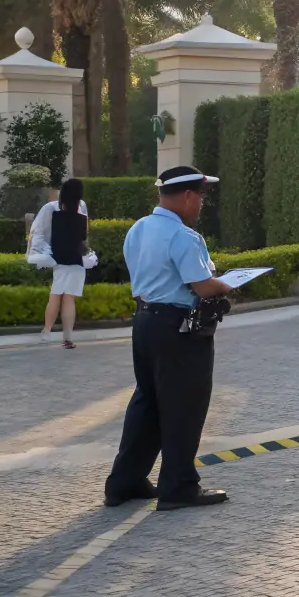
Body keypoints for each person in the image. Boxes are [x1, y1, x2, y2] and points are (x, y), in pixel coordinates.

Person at [104, 166, 235, 511]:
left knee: (146, 402)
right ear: (189, 196)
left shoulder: (138, 229)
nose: (203, 203)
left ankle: (124, 482)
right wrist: (230, 283)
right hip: (179, 329)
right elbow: (203, 285)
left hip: (145, 322)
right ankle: (178, 487)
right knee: (184, 405)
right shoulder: (184, 237)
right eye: (202, 196)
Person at [27, 178, 96, 349]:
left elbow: (38, 232)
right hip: (78, 258)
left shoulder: (51, 208)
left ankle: (47, 331)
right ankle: (67, 337)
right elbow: (84, 235)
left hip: (58, 257)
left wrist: (42, 253)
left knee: (55, 295)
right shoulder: (82, 207)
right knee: (69, 299)